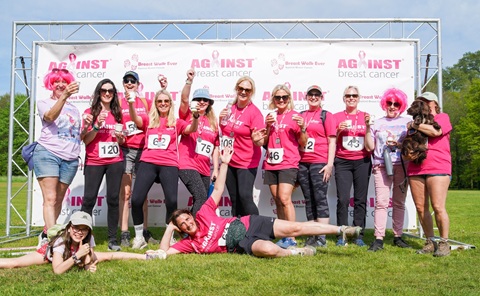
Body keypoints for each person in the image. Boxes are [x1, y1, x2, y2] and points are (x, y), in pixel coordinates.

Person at [159, 146, 361, 258]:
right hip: (244, 242)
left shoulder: (203, 214)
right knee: (269, 250)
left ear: (192, 215)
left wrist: (225, 163)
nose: (187, 223)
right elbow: (164, 251)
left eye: (187, 218)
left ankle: (341, 230)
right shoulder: (190, 244)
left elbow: (219, 189)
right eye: (182, 224)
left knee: (295, 228)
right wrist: (169, 228)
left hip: (250, 223)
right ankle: (294, 253)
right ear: (181, 230)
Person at [129, 89, 199, 249]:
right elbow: (135, 119)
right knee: (136, 199)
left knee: (172, 201)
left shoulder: (176, 122)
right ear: (156, 103)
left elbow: (191, 129)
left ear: (170, 104)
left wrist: (195, 118)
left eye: (166, 101)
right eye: (160, 101)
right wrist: (131, 104)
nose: (163, 104)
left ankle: (170, 236)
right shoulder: (149, 119)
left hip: (169, 163)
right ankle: (139, 237)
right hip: (148, 161)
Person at [0, 211, 166, 273]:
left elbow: (90, 257)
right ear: (70, 227)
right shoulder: (60, 242)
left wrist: (86, 264)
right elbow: (57, 270)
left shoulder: (87, 237)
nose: (79, 232)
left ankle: (147, 257)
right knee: (14, 263)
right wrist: (76, 257)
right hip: (48, 255)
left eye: (84, 229)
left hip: (74, 254)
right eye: (76, 228)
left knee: (109, 256)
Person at [32, 68, 81, 248]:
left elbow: (75, 135)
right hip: (48, 153)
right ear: (50, 85)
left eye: (64, 81)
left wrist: (93, 126)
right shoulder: (44, 102)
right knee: (50, 199)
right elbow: (50, 117)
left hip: (70, 158)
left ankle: (46, 232)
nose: (60, 84)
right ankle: (53, 241)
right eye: (56, 82)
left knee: (58, 199)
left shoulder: (75, 109)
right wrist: (64, 96)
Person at [80, 79, 125, 251]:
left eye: (111, 91)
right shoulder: (89, 112)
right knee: (89, 200)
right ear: (98, 92)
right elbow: (86, 140)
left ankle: (112, 239)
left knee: (113, 200)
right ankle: (83, 239)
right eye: (104, 90)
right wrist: (97, 126)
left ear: (114, 94)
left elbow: (121, 140)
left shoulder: (118, 113)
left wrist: (121, 139)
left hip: (115, 161)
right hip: (94, 161)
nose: (107, 93)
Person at [407, 92, 452, 257]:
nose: (424, 103)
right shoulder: (413, 123)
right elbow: (409, 144)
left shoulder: (442, 117)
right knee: (420, 208)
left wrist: (414, 125)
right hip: (416, 168)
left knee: (438, 207)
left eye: (427, 101)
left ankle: (444, 243)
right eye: (421, 101)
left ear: (435, 103)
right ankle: (430, 241)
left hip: (438, 166)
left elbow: (435, 132)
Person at [262, 84, 308, 249]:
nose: (281, 100)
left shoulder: (295, 116)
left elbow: (303, 142)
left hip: (288, 162)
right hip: (271, 162)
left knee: (284, 198)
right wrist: (267, 126)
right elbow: (265, 143)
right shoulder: (270, 116)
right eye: (277, 97)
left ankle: (292, 237)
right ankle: (283, 234)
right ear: (273, 99)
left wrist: (302, 128)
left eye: (284, 97)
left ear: (289, 99)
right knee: (277, 200)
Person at [367, 88, 412, 252]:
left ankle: (397, 237)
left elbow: (412, 144)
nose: (392, 106)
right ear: (384, 104)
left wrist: (399, 144)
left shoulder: (408, 121)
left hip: (402, 165)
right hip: (381, 165)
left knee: (399, 202)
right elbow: (370, 146)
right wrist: (367, 129)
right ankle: (378, 239)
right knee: (381, 203)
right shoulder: (377, 122)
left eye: (396, 104)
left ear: (401, 105)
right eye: (389, 103)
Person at [118, 71, 158, 247]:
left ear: (138, 84)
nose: (129, 83)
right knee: (125, 194)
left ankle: (144, 230)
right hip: (126, 149)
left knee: (142, 195)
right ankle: (125, 232)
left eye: (132, 80)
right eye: (126, 80)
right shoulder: (118, 103)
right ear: (123, 83)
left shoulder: (145, 102)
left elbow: (153, 123)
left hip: (143, 150)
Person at [219, 76, 265, 217]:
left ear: (251, 92)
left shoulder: (254, 113)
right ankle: (237, 231)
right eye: (241, 88)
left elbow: (260, 141)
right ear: (236, 89)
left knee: (245, 197)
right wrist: (221, 120)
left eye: (247, 90)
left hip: (246, 162)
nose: (244, 92)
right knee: (234, 199)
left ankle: (259, 229)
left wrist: (257, 140)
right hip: (229, 160)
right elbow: (225, 131)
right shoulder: (229, 108)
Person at [333, 85, 373, 247]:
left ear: (359, 98)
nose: (351, 98)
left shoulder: (366, 116)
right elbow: (330, 142)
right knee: (342, 199)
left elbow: (371, 146)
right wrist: (338, 131)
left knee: (360, 199)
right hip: (342, 161)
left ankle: (358, 234)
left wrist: (369, 126)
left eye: (354, 95)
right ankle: (341, 234)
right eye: (348, 95)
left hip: (362, 161)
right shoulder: (336, 117)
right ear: (344, 98)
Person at [297, 85, 336, 248]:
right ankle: (311, 235)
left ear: (321, 97)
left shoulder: (326, 115)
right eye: (310, 95)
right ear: (306, 97)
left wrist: (329, 164)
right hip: (302, 162)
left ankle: (322, 236)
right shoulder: (300, 115)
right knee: (308, 199)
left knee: (320, 198)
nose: (313, 97)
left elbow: (332, 140)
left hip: (319, 162)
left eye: (317, 95)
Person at [178, 69, 220, 216]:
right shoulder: (187, 114)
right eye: (198, 99)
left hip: (204, 168)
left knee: (202, 201)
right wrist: (189, 81)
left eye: (205, 100)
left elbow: (215, 147)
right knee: (201, 197)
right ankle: (192, 233)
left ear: (209, 103)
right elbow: (184, 99)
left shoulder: (213, 122)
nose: (202, 102)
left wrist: (215, 169)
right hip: (187, 164)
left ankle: (188, 228)